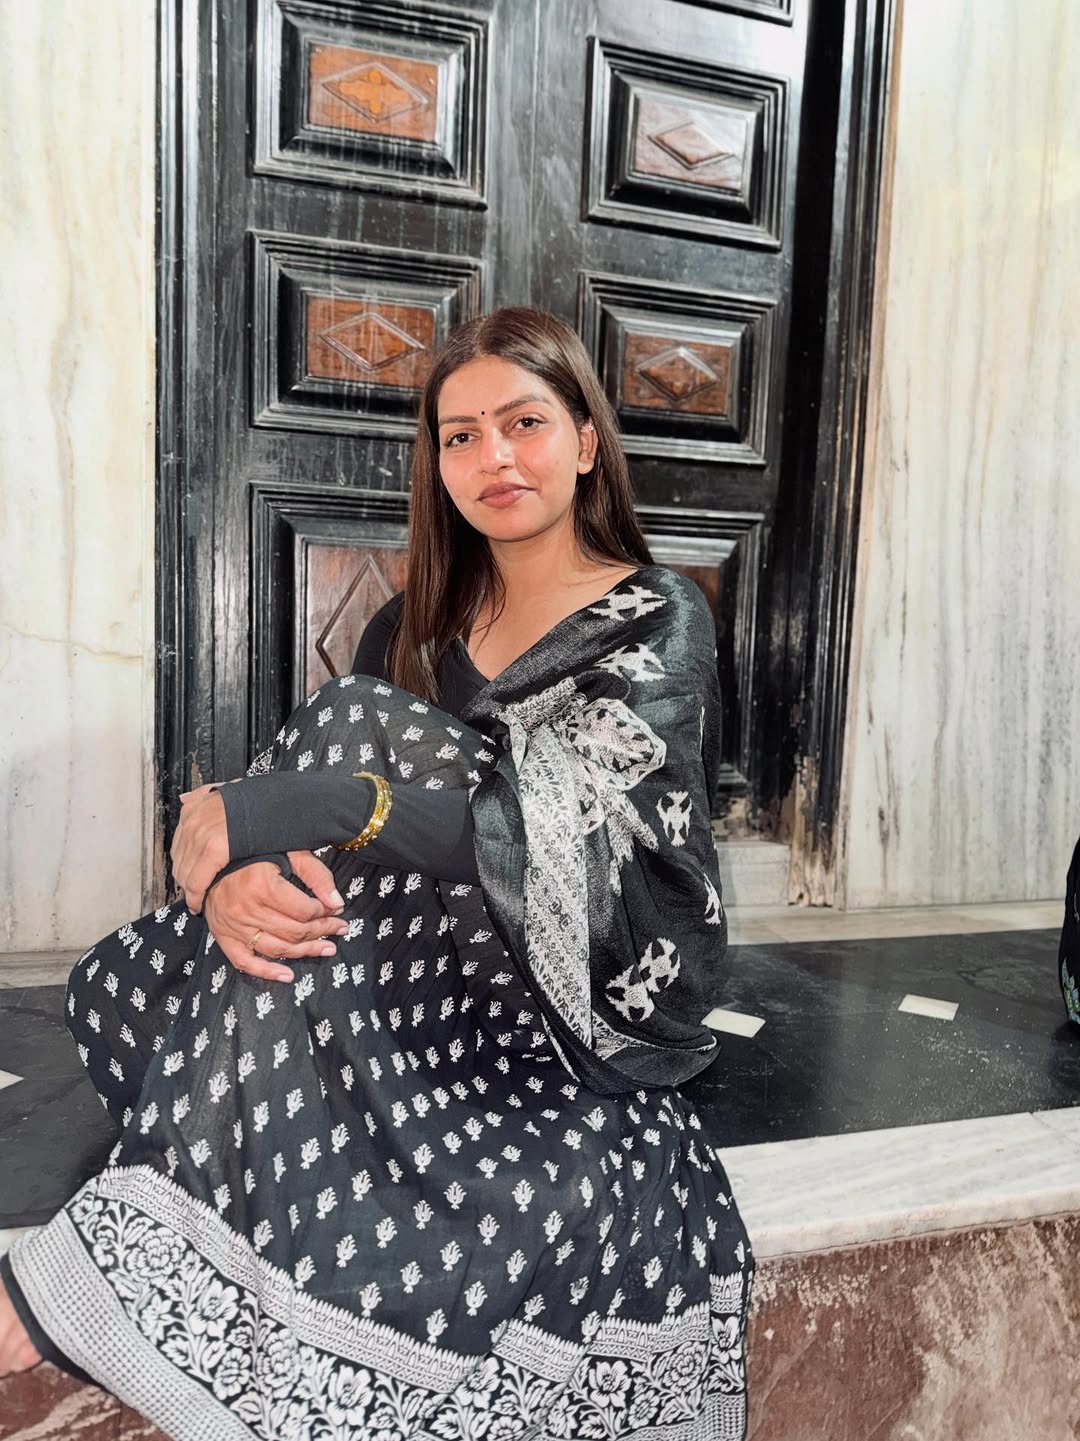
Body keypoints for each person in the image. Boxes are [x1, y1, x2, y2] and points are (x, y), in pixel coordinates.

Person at [0, 308, 753, 1439]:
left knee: (355, 729)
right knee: (134, 975)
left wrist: (324, 806)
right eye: (460, 437)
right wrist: (235, 882)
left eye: (525, 424)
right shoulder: (415, 627)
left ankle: (119, 1252)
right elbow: (326, 839)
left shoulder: (656, 615)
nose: (494, 458)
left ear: (586, 442)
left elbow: (576, 836)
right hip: (416, 980)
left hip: (576, 998)